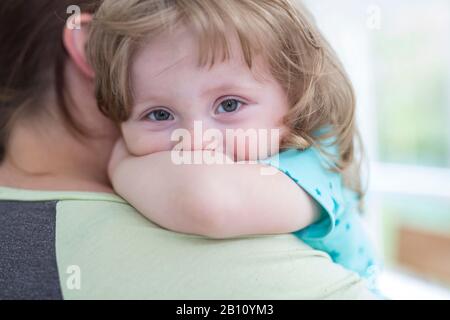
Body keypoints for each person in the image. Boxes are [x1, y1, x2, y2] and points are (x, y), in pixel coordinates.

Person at [0, 0, 376, 299]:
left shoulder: (311, 157)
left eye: (229, 105)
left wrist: (121, 164)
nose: (195, 140)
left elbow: (208, 201)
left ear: (298, 98)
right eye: (159, 113)